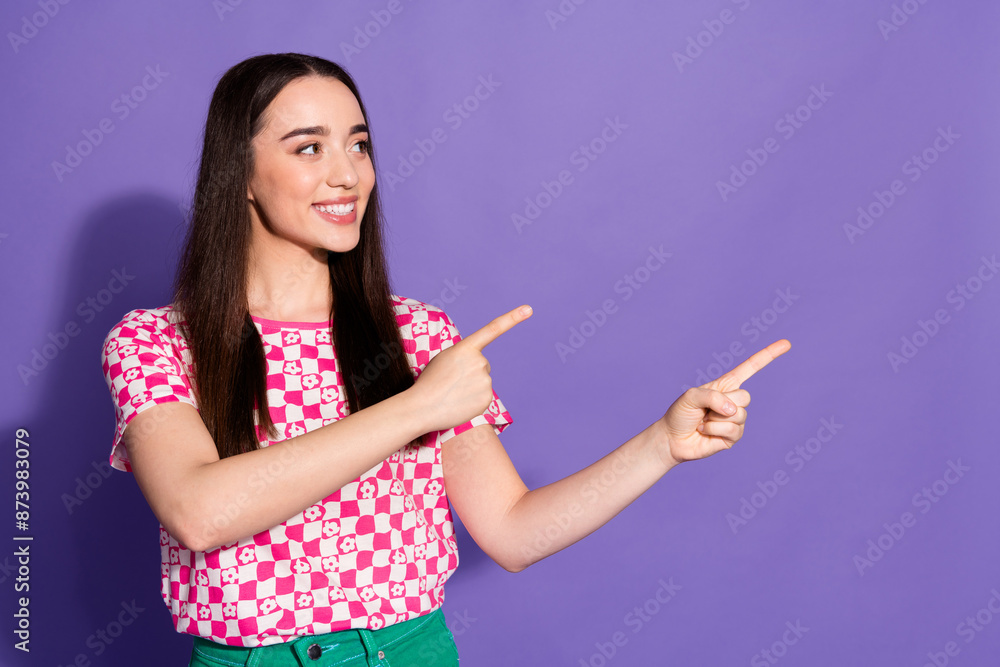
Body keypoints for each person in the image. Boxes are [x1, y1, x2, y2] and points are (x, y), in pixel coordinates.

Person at [100, 52, 790, 666]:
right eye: (309, 148)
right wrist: (418, 407)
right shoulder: (158, 342)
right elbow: (198, 510)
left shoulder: (421, 334)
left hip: (415, 649)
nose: (348, 175)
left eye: (359, 145)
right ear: (240, 173)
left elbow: (514, 530)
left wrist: (662, 444)